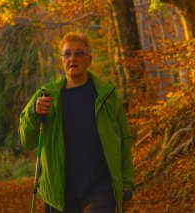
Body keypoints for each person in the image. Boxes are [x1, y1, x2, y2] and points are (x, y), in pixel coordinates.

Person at [18, 32, 134, 213]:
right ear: (61, 59)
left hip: (100, 188)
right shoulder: (46, 95)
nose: (73, 58)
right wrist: (34, 113)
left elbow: (124, 140)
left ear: (90, 60)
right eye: (67, 54)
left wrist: (127, 182)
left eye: (79, 53)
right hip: (58, 192)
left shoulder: (107, 96)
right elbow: (27, 140)